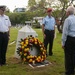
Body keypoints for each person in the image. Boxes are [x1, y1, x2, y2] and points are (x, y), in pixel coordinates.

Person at [62, 6, 75, 75]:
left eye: (66, 11)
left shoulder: (68, 20)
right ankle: (72, 70)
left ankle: (68, 72)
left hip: (69, 39)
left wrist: (63, 43)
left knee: (68, 56)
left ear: (68, 12)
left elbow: (65, 32)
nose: (66, 12)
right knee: (73, 55)